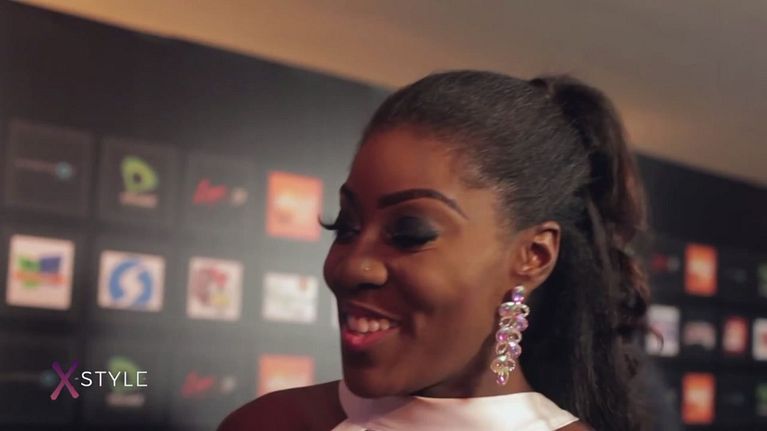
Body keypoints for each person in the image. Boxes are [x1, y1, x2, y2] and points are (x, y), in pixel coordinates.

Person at [219, 70, 651, 430]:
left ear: (532, 257)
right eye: (345, 227)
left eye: (410, 233)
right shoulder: (268, 423)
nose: (352, 267)